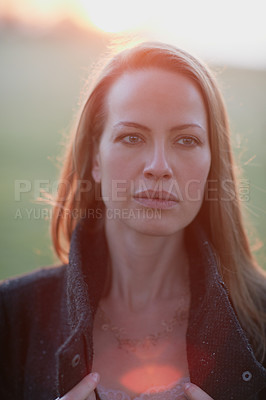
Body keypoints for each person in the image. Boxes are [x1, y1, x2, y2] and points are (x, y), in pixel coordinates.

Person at [1, 42, 266, 400]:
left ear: (211, 163)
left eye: (186, 140)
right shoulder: (11, 315)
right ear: (96, 158)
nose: (158, 166)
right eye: (131, 137)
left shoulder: (261, 318)